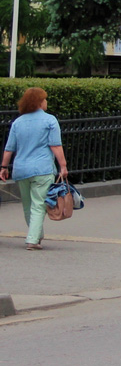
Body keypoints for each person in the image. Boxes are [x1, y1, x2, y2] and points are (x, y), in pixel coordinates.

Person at [1, 87, 68, 250]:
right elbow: (55, 146)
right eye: (45, 99)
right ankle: (32, 239)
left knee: (27, 205)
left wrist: (3, 166)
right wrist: (63, 166)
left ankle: (36, 233)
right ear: (39, 102)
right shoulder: (50, 120)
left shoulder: (18, 122)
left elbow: (9, 148)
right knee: (38, 204)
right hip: (42, 168)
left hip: (21, 169)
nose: (46, 102)